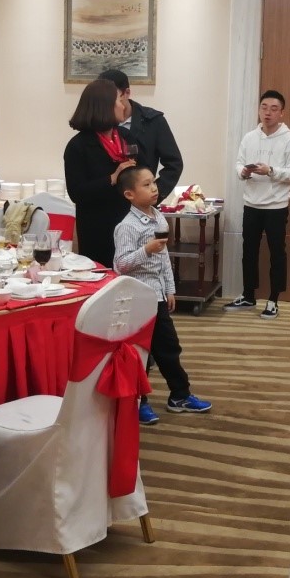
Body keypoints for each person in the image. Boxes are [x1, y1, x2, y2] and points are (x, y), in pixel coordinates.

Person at [113, 166, 212, 425]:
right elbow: (120, 265)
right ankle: (138, 402)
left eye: (153, 183)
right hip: (137, 297)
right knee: (140, 353)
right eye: (146, 185)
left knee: (169, 347)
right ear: (129, 194)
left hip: (157, 295)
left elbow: (164, 257)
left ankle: (180, 395)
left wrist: (170, 288)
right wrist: (146, 250)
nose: (154, 188)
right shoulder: (127, 227)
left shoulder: (158, 218)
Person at [225, 90, 290, 320]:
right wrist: (243, 172)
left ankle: (273, 300)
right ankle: (248, 295)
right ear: (259, 110)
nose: (267, 113)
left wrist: (271, 171)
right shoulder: (249, 137)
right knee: (248, 251)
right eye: (264, 107)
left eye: (273, 109)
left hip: (276, 207)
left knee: (277, 253)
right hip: (251, 204)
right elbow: (238, 163)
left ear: (281, 113)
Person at [63, 78, 136, 268]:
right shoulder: (78, 146)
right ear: (105, 106)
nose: (123, 105)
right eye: (119, 100)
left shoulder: (126, 137)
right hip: (97, 229)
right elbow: (77, 193)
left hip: (129, 223)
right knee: (102, 278)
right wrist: (112, 178)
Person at [99, 69, 183, 203]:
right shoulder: (98, 123)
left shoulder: (153, 121)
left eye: (112, 96)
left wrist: (153, 194)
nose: (107, 102)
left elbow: (174, 164)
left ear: (127, 93)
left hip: (142, 203)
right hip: (107, 201)